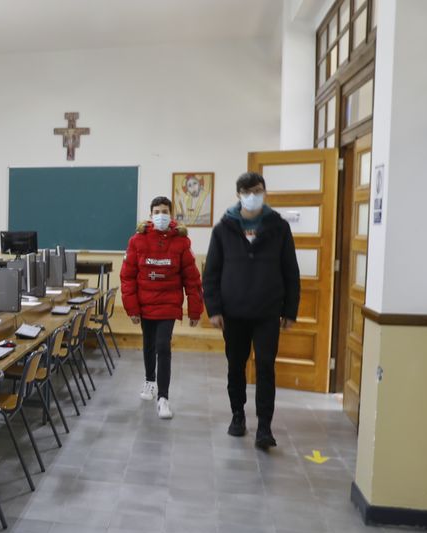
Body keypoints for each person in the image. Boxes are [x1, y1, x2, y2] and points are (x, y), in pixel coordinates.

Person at [202, 172, 300, 450]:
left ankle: (265, 427)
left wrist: (290, 310)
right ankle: (237, 416)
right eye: (246, 192)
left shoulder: (278, 227)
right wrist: (214, 309)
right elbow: (211, 273)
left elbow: (290, 271)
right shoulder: (223, 229)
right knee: (236, 365)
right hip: (233, 312)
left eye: (257, 190)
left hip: (268, 311)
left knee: (266, 367)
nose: (252, 196)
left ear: (264, 191)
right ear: (239, 195)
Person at [120, 196, 203, 420]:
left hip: (168, 304)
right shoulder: (137, 240)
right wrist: (132, 309)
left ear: (171, 214)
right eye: (156, 211)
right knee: (148, 344)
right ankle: (150, 381)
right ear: (150, 215)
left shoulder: (181, 242)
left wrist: (195, 310)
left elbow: (192, 278)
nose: (160, 215)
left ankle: (163, 399)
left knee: (162, 346)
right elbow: (128, 277)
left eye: (164, 211)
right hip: (145, 304)